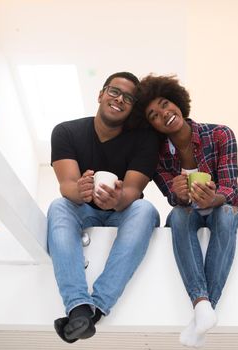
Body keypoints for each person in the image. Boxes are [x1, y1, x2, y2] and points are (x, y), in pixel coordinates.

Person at [134, 75, 238, 348]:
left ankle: (201, 308)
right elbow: (174, 201)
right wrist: (178, 194)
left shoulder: (220, 134)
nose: (163, 114)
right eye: (153, 115)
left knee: (224, 212)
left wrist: (212, 199)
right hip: (191, 215)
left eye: (165, 104)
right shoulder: (159, 158)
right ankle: (202, 306)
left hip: (230, 214)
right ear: (150, 125)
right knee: (177, 216)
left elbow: (230, 190)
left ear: (177, 101)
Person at [47, 72, 160, 343]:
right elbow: (67, 186)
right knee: (58, 206)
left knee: (146, 210)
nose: (120, 99)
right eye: (114, 92)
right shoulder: (66, 131)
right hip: (83, 209)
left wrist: (117, 200)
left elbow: (133, 190)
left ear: (133, 108)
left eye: (129, 98)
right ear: (100, 94)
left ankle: (94, 309)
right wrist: (81, 190)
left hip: (122, 212)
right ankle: (79, 306)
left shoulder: (145, 140)